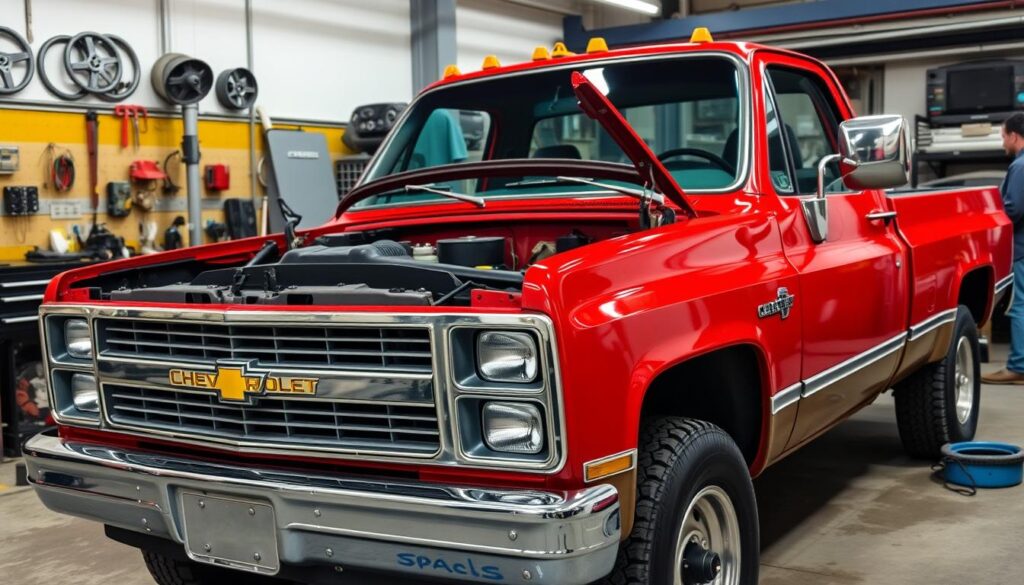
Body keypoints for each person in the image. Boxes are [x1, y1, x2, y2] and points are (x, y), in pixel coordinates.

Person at [983, 112, 1024, 384]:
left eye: (1003, 136)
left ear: (1014, 135)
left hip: (1021, 248)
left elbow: (1014, 207)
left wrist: (989, 223)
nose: (1002, 142)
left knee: (1019, 306)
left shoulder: (1020, 166)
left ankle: (1018, 367)